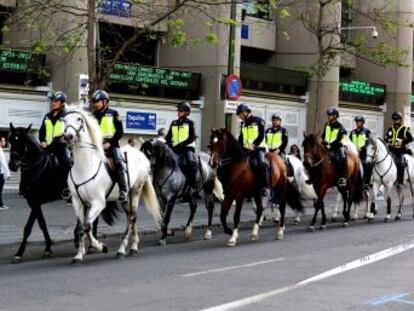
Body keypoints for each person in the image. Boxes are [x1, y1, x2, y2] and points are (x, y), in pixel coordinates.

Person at [91, 89, 128, 202]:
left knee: (118, 163)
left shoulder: (114, 113)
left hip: (112, 145)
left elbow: (119, 132)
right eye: (94, 102)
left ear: (105, 102)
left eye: (98, 101)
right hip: (96, 146)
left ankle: (123, 190)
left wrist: (109, 143)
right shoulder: (93, 115)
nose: (96, 104)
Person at [39, 91, 71, 199]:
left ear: (62, 103)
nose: (53, 103)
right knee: (37, 162)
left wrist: (66, 139)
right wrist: (42, 140)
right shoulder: (47, 116)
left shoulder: (66, 116)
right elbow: (41, 131)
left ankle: (66, 188)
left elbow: (71, 130)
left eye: (56, 101)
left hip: (60, 146)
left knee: (66, 163)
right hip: (47, 146)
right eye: (52, 101)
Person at [236, 103, 268, 196]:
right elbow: (241, 139)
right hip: (246, 150)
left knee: (260, 164)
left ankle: (264, 187)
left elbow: (261, 136)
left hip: (258, 148)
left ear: (246, 112)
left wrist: (254, 145)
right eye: (238, 114)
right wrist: (238, 148)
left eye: (240, 114)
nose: (239, 116)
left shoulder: (258, 121)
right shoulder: (243, 124)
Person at [166, 102, 197, 190]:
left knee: (191, 163)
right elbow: (169, 136)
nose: (178, 112)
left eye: (181, 110)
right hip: (175, 148)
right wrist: (167, 144)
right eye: (178, 110)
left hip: (187, 148)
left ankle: (191, 185)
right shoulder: (174, 123)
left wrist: (182, 144)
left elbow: (192, 137)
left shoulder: (190, 123)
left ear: (187, 112)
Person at [384, 111, 413, 190]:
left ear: (400, 120)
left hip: (400, 151)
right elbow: (386, 138)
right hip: (391, 150)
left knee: (400, 163)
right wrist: (386, 139)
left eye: (397, 119)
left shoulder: (404, 129)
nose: (395, 121)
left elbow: (411, 138)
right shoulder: (390, 129)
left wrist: (402, 142)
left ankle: (400, 182)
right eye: (394, 119)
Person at [322, 107, 347, 188]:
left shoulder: (341, 127)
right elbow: (323, 136)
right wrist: (324, 142)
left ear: (335, 116)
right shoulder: (327, 125)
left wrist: (332, 144)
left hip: (336, 147)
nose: (328, 116)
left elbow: (341, 140)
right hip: (326, 146)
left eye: (330, 115)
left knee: (342, 158)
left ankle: (342, 178)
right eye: (328, 115)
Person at [350, 116, 372, 189]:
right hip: (353, 154)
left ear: (362, 123)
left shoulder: (367, 131)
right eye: (356, 122)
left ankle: (367, 183)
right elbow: (349, 142)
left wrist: (363, 147)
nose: (357, 123)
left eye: (359, 122)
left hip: (363, 154)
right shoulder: (352, 132)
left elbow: (369, 142)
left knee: (367, 166)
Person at [0, 136, 10, 210]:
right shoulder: (0, 151)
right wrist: (8, 173)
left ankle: (1, 204)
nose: (5, 142)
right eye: (3, 140)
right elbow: (3, 163)